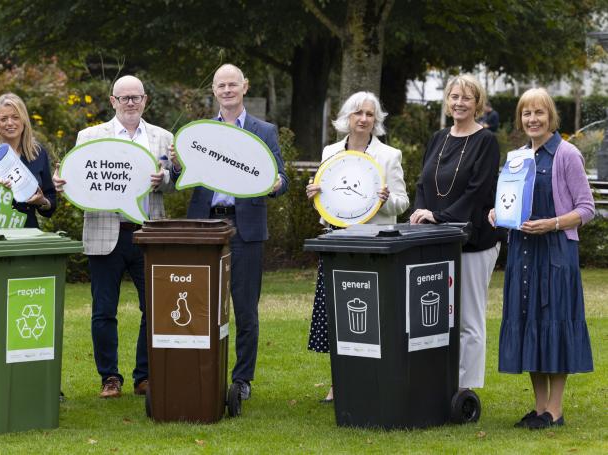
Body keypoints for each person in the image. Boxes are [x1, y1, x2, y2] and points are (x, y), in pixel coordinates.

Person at [170, 64, 288, 401]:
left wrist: (276, 184)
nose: (227, 90)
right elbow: (180, 178)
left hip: (246, 229)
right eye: (221, 85)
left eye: (232, 84)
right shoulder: (200, 132)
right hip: (206, 227)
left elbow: (281, 178)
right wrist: (176, 164)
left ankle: (242, 380)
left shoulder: (264, 131)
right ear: (214, 90)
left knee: (246, 310)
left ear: (244, 87)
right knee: (199, 306)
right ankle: (201, 371)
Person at [53, 75, 174, 398]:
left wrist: (163, 179)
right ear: (112, 101)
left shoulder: (163, 138)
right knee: (104, 311)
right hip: (105, 233)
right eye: (124, 98)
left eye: (136, 97)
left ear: (145, 100)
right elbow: (76, 180)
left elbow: (175, 183)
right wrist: (62, 183)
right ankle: (109, 377)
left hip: (148, 234)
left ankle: (144, 376)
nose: (130, 103)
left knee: (154, 309)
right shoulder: (90, 136)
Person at [489, 88, 594, 429]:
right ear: (520, 119)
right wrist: (497, 213)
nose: (532, 119)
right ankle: (538, 409)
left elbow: (587, 209)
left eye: (539, 113)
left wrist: (553, 223)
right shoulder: (517, 158)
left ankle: (555, 410)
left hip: (556, 253)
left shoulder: (567, 154)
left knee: (555, 323)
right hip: (523, 253)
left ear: (551, 117)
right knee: (529, 322)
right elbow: (508, 200)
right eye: (526, 113)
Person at [305, 91, 409, 403]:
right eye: (357, 113)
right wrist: (315, 195)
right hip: (338, 242)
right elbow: (329, 201)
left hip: (373, 245)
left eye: (369, 114)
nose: (363, 119)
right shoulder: (331, 151)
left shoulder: (389, 155)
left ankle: (375, 378)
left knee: (374, 315)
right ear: (347, 118)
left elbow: (402, 203)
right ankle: (339, 383)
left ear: (376, 120)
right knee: (338, 314)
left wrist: (385, 199)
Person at [409, 74, 501, 392]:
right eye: (454, 96)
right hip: (437, 239)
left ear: (477, 103)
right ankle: (440, 384)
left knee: (468, 320)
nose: (459, 103)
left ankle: (465, 391)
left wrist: (438, 217)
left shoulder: (486, 141)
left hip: (473, 241)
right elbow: (423, 183)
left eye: (467, 97)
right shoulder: (438, 138)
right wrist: (420, 215)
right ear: (447, 101)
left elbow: (479, 191)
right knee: (437, 317)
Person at [0, 93, 56, 227]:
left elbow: (50, 200)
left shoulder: (37, 153)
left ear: (24, 119)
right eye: (3, 119)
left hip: (28, 231)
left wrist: (43, 201)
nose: (10, 123)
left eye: (15, 117)